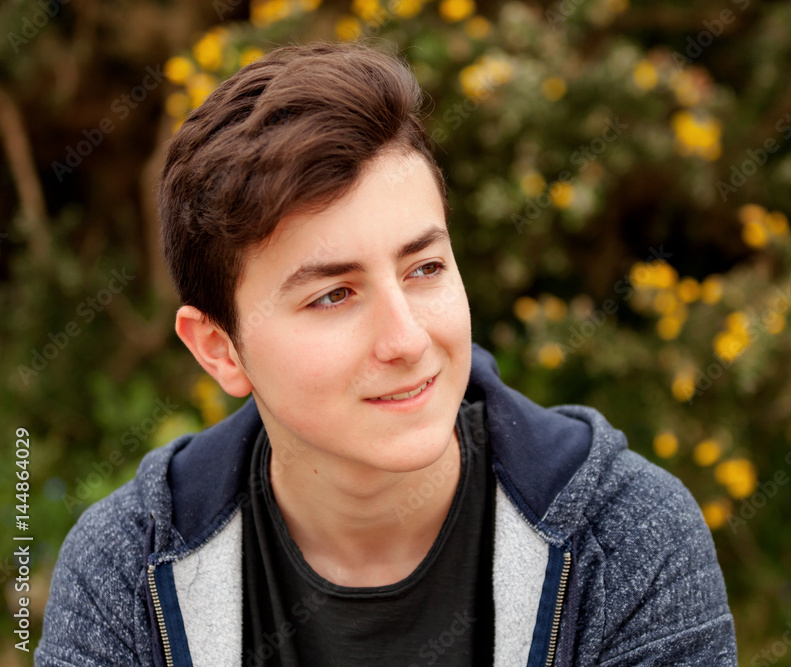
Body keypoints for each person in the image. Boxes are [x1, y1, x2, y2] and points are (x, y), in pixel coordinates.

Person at [36, 41, 737, 666]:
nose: (406, 340)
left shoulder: (626, 541)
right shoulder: (126, 570)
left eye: (424, 268)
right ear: (221, 349)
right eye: (334, 295)